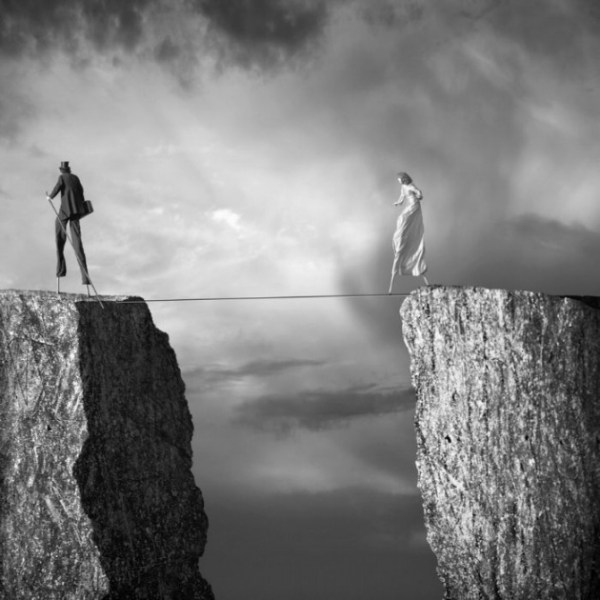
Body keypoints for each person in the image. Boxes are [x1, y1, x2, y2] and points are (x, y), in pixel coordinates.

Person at [45, 161, 92, 293]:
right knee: (77, 243)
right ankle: (86, 279)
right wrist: (79, 205)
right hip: (77, 211)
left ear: (62, 171)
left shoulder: (62, 178)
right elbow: (81, 192)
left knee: (59, 235)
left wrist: (50, 197)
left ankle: (60, 270)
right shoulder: (75, 178)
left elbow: (57, 188)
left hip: (65, 211)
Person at [388, 171, 429, 294]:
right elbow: (401, 197)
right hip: (409, 206)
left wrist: (419, 196)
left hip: (414, 206)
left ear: (403, 179)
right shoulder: (403, 187)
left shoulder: (411, 186)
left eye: (399, 179)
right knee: (401, 219)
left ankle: (404, 232)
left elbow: (419, 192)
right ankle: (401, 234)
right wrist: (398, 202)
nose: (398, 181)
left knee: (403, 217)